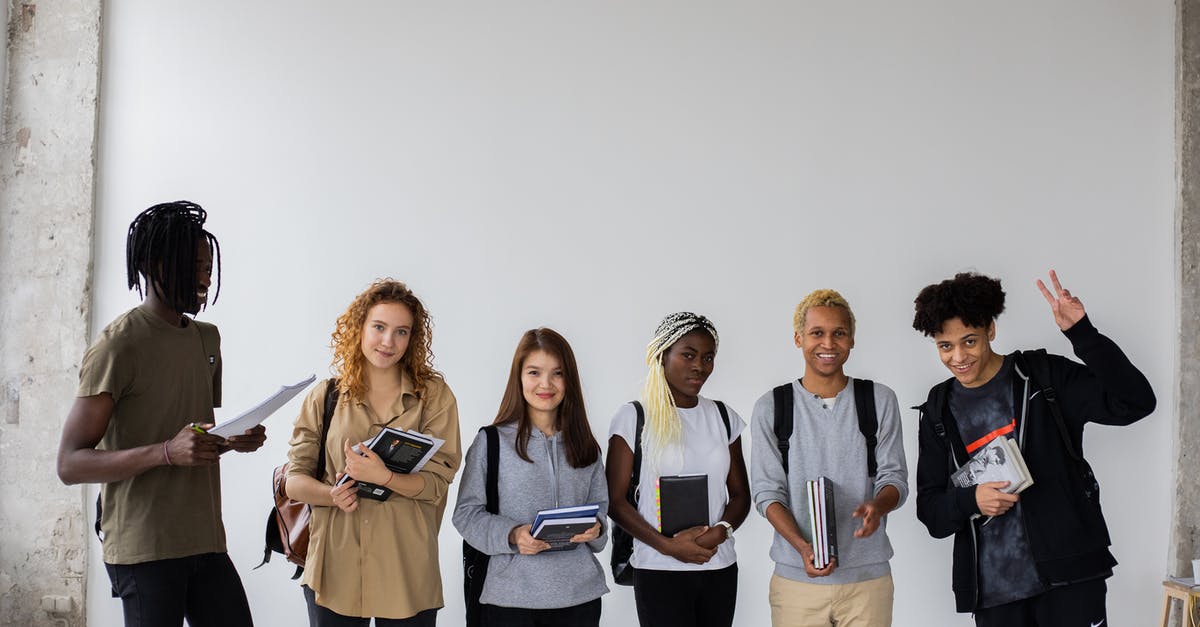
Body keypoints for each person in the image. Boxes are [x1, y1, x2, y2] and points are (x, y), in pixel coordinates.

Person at [56, 201, 266, 627]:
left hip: (205, 539)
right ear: (155, 265)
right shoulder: (119, 346)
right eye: (195, 265)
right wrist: (166, 452)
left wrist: (231, 440)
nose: (206, 276)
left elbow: (190, 440)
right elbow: (70, 463)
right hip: (144, 547)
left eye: (208, 266)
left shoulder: (207, 339)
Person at [912, 270, 1156, 627]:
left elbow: (1136, 402)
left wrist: (1082, 333)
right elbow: (930, 511)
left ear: (990, 331)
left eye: (969, 341)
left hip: (1069, 580)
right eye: (945, 346)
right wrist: (972, 500)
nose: (958, 357)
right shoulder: (939, 408)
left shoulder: (1044, 376)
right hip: (994, 595)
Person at [286, 279, 461, 626]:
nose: (388, 341)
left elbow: (438, 484)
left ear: (412, 339)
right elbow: (294, 481)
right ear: (360, 327)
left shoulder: (434, 397)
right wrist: (332, 495)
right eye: (379, 327)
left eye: (401, 332)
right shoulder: (326, 396)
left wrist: (385, 478)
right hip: (334, 569)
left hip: (406, 567)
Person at [750, 289, 908, 627]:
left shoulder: (879, 400)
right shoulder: (772, 407)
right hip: (796, 584)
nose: (828, 344)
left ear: (852, 339)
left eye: (839, 333)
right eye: (817, 333)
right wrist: (802, 547)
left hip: (868, 581)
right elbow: (767, 493)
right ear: (798, 339)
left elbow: (894, 478)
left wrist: (877, 507)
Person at [453, 328, 609, 626]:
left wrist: (597, 527)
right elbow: (465, 514)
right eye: (534, 372)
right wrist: (511, 535)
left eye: (557, 373)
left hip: (581, 598)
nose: (545, 384)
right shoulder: (491, 442)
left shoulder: (586, 444)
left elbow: (600, 507)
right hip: (509, 601)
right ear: (519, 377)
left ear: (569, 380)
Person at [605, 312, 750, 627]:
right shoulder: (634, 418)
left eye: (708, 357)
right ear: (662, 355)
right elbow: (615, 501)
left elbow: (740, 495)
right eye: (689, 354)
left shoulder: (724, 418)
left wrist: (720, 532)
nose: (700, 365)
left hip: (718, 566)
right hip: (659, 569)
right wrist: (668, 546)